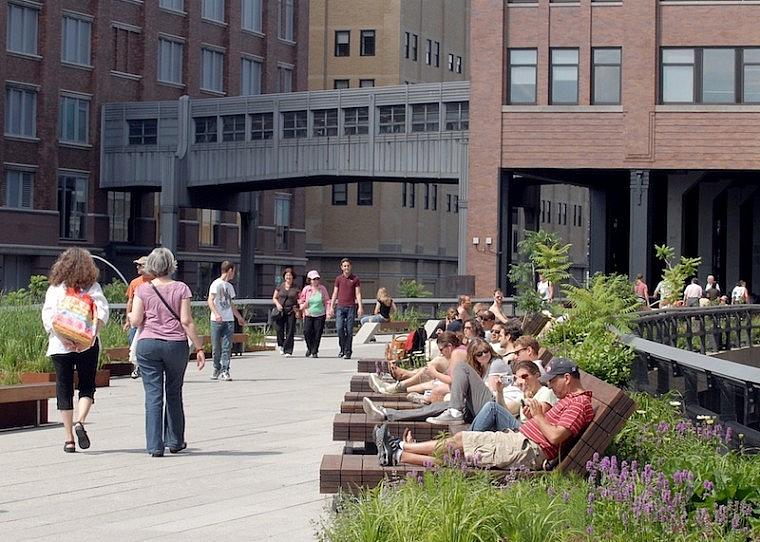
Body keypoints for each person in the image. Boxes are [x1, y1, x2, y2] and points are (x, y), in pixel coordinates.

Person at [374, 357, 594, 469]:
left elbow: (556, 436)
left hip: (527, 449)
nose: (552, 386)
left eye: (553, 381)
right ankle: (399, 451)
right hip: (521, 440)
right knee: (462, 440)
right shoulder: (572, 401)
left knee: (463, 450)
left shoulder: (578, 404)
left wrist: (538, 417)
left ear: (567, 378)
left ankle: (398, 450)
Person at [129, 247, 206, 457]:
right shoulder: (181, 288)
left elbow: (135, 320)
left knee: (153, 395)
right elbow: (186, 321)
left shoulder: (142, 289)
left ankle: (155, 446)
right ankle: (175, 441)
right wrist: (199, 347)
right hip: (175, 344)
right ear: (171, 265)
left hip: (148, 345)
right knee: (174, 392)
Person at [41, 248, 109, 453]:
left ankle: (69, 438)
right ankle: (80, 421)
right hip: (87, 344)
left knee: (64, 388)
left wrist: (63, 338)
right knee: (87, 385)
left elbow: (48, 317)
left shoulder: (55, 288)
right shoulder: (93, 288)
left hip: (60, 345)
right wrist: (87, 339)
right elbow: (102, 314)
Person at [363, 338, 510, 425]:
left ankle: (454, 412)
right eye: (479, 353)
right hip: (480, 408)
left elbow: (493, 391)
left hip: (493, 408)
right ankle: (388, 413)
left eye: (486, 351)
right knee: (438, 408)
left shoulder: (496, 363)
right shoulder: (482, 368)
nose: (484, 355)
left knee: (461, 367)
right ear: (474, 356)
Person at [470, 360, 558, 432]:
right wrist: (499, 392)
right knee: (492, 408)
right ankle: (467, 439)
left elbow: (541, 413)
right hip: (522, 428)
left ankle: (466, 440)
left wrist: (527, 400)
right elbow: (504, 410)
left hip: (528, 431)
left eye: (524, 376)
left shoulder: (545, 392)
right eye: (517, 378)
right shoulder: (524, 396)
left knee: (491, 407)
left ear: (537, 376)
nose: (520, 381)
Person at [208, 261, 246, 380]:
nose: (234, 274)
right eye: (234, 271)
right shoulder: (216, 284)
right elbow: (210, 300)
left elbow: (231, 304)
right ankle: (216, 367)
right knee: (216, 347)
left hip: (229, 320)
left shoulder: (230, 287)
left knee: (226, 347)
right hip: (216, 320)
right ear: (230, 270)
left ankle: (225, 370)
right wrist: (216, 314)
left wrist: (239, 317)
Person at [327, 258, 363, 359]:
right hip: (340, 307)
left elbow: (358, 293)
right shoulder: (339, 279)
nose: (346, 268)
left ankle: (348, 351)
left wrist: (360, 306)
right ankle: (342, 348)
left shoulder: (355, 279)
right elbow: (335, 293)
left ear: (350, 267)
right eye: (344, 266)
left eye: (348, 266)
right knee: (339, 328)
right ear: (341, 267)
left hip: (351, 307)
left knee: (349, 329)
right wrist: (331, 307)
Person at [125, 256, 151, 379]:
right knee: (132, 340)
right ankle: (137, 366)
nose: (138, 267)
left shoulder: (155, 282)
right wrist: (127, 320)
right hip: (135, 318)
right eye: (137, 265)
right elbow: (130, 301)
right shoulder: (135, 283)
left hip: (149, 320)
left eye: (140, 265)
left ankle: (143, 367)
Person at [298, 270, 330, 358]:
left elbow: (327, 301)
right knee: (307, 332)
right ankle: (310, 347)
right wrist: (303, 307)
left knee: (317, 333)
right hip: (309, 313)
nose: (316, 281)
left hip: (320, 313)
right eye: (314, 279)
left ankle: (314, 350)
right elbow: (301, 300)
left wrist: (328, 312)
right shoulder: (306, 289)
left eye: (317, 279)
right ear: (310, 280)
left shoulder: (322, 289)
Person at [272, 267, 300, 357]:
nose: (288, 277)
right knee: (279, 329)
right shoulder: (280, 286)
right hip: (280, 310)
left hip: (291, 310)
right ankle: (281, 345)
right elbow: (274, 298)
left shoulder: (296, 287)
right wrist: (278, 304)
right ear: (284, 277)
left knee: (290, 330)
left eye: (290, 275)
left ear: (293, 277)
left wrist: (298, 310)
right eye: (287, 275)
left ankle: (288, 350)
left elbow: (300, 299)